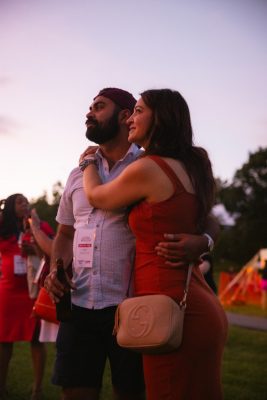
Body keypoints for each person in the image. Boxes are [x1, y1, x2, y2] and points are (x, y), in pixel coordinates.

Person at [45, 87, 220, 400]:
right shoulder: (75, 175)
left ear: (124, 116)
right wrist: (56, 269)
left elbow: (204, 215)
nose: (89, 113)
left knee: (135, 392)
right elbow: (65, 233)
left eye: (99, 107)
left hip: (134, 305)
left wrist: (204, 240)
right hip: (79, 304)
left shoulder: (150, 163)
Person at [0, 194, 47, 400]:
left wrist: (35, 247)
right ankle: (1, 386)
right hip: (8, 292)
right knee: (3, 341)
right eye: (20, 202)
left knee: (36, 339)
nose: (25, 204)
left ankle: (37, 389)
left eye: (27, 201)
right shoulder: (3, 229)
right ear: (11, 207)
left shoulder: (39, 225)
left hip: (32, 292)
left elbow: (52, 251)